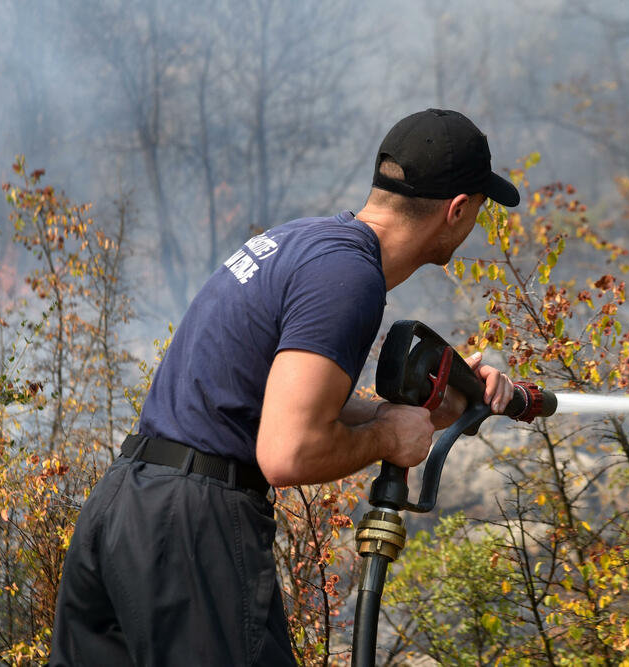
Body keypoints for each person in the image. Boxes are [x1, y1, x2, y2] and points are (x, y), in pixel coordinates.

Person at [49, 108, 521, 666]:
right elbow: (287, 450)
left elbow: (280, 398)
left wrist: (410, 415)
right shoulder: (351, 277)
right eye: (477, 213)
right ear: (457, 210)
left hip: (125, 507)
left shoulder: (306, 243)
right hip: (191, 530)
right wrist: (389, 441)